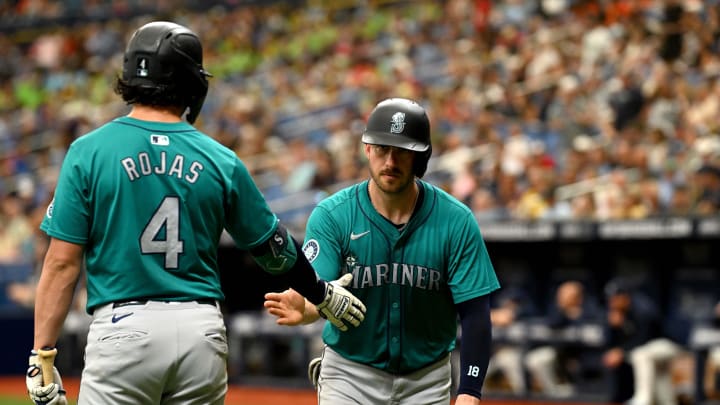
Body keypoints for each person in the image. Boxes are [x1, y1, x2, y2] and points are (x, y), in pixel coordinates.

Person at [26, 21, 366, 405]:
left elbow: (61, 264)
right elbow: (275, 250)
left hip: (123, 327)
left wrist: (42, 355)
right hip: (199, 330)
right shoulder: (220, 158)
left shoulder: (89, 152)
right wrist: (320, 293)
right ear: (190, 81)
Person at [264, 97, 501, 405]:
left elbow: (476, 314)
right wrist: (307, 308)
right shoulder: (333, 215)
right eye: (382, 149)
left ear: (421, 157)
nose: (390, 161)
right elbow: (321, 291)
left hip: (426, 380)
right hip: (350, 375)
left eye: (402, 151)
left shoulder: (456, 221)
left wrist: (470, 391)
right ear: (367, 150)